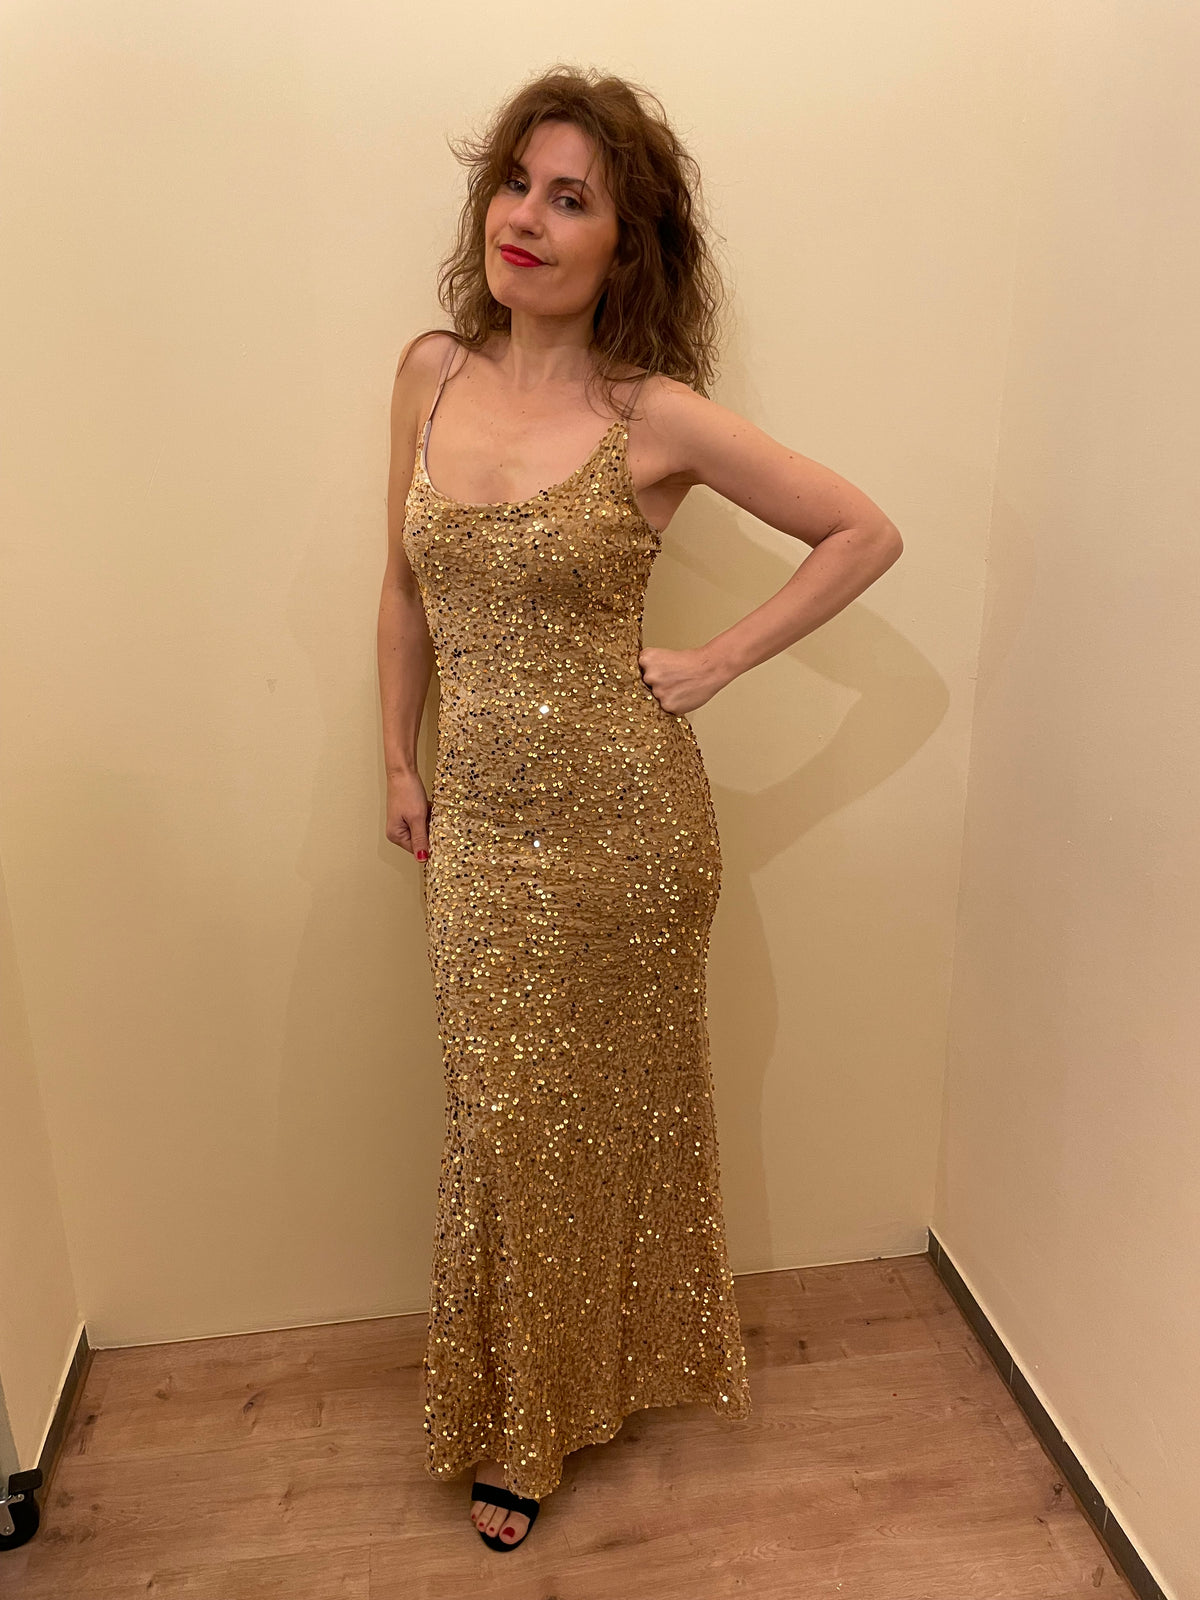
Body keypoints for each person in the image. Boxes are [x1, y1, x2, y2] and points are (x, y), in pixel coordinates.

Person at [377, 64, 902, 1552]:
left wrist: (720, 659)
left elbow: (862, 531)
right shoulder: (427, 372)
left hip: (629, 837)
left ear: (628, 244)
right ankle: (537, 1391)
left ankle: (532, 1432)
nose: (527, 220)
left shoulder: (651, 417)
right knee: (504, 1123)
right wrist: (397, 763)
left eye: (572, 199)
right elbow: (400, 593)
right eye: (516, 183)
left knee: (593, 1127)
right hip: (482, 831)